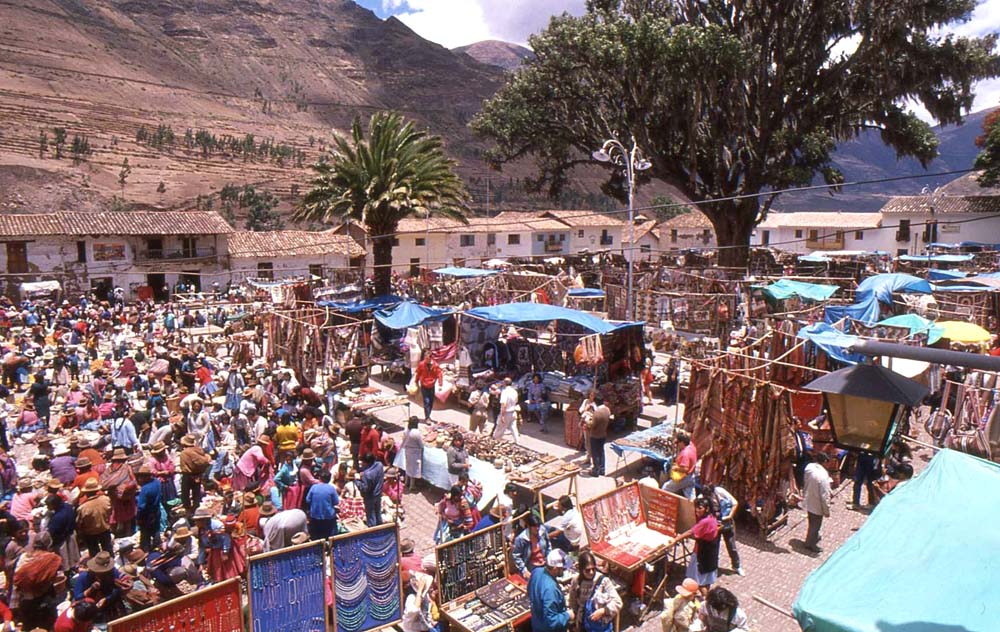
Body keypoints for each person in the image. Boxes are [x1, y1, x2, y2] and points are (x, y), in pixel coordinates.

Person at [668, 498, 720, 597]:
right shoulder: (712, 518)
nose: (697, 510)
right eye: (696, 508)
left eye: (700, 508)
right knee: (706, 580)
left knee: (698, 582)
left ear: (707, 508)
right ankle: (706, 598)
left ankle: (707, 601)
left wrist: (676, 539)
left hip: (702, 554)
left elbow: (690, 532)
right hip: (711, 554)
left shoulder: (705, 522)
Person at [568, 551, 621, 632]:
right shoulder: (576, 581)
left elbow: (618, 602)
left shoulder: (603, 581)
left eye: (593, 569)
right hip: (584, 625)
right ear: (581, 570)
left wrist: (603, 611)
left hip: (601, 626)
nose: (591, 572)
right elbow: (573, 603)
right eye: (587, 570)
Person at [699, 484, 743, 576]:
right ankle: (713, 568)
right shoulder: (701, 498)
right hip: (715, 525)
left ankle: (736, 566)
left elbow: (735, 503)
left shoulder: (720, 491)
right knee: (714, 548)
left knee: (732, 546)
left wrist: (730, 516)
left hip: (727, 523)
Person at [528, 549, 573, 632]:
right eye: (562, 569)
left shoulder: (536, 572)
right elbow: (551, 621)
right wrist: (568, 615)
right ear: (555, 568)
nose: (564, 570)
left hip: (537, 623)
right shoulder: (550, 590)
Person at [803, 452, 832, 553]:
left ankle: (812, 537)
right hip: (817, 504)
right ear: (824, 462)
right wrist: (826, 510)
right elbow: (825, 496)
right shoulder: (823, 476)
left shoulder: (809, 467)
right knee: (816, 525)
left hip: (808, 499)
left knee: (811, 522)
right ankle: (810, 544)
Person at [75, 478, 113, 556]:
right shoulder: (106, 499)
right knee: (108, 548)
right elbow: (110, 512)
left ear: (85, 492)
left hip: (91, 533)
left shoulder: (83, 508)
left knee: (94, 552)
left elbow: (79, 523)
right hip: (105, 529)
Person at [179, 434, 212, 513]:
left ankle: (188, 510)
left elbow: (183, 466)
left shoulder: (184, 453)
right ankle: (195, 508)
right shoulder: (198, 450)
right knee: (196, 493)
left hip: (188, 475)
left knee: (185, 494)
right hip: (197, 475)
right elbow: (206, 459)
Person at [512, 513, 551, 579]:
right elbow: (516, 556)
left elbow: (548, 545)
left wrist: (549, 559)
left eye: (538, 526)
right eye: (535, 526)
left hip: (545, 563)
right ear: (529, 527)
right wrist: (524, 570)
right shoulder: (521, 539)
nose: (537, 528)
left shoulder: (542, 531)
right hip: (532, 567)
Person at [305, 469, 340, 541]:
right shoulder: (331, 488)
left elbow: (308, 500)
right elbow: (336, 502)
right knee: (330, 537)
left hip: (315, 517)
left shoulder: (313, 487)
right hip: (328, 518)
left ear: (320, 478)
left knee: (316, 538)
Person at [663, 431, 698, 500]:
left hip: (683, 477)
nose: (677, 444)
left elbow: (685, 469)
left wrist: (675, 468)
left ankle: (664, 505)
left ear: (682, 442)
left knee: (665, 488)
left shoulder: (685, 454)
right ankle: (694, 508)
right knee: (691, 498)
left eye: (678, 442)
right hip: (692, 477)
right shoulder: (692, 446)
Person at [135, 465, 162, 552]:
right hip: (156, 511)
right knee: (156, 530)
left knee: (145, 535)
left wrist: (138, 518)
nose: (139, 479)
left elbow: (141, 507)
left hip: (146, 515)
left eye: (141, 476)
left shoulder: (145, 489)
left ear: (146, 476)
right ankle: (158, 546)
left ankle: (145, 552)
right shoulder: (157, 482)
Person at [357, 452, 385, 527]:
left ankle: (374, 532)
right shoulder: (380, 465)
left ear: (367, 462)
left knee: (371, 516)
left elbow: (364, 488)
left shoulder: (367, 474)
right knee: (378, 513)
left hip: (370, 497)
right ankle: (381, 529)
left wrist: (357, 481)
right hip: (378, 494)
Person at [586, 397, 611, 477]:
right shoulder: (607, 410)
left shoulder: (597, 413)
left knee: (595, 453)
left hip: (595, 435)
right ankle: (602, 469)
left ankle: (596, 470)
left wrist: (587, 423)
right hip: (603, 434)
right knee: (601, 452)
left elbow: (592, 425)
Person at [414, 349, 443, 421]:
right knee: (426, 401)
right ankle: (427, 418)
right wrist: (416, 382)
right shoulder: (421, 364)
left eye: (427, 358)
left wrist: (440, 384)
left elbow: (439, 374)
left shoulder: (435, 365)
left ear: (431, 358)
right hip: (424, 385)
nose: (426, 360)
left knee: (431, 401)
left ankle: (428, 415)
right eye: (425, 358)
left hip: (431, 386)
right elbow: (418, 374)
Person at [399, 417, 424, 492]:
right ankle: (412, 486)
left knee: (408, 467)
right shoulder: (416, 432)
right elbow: (421, 444)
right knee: (413, 469)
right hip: (415, 452)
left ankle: (406, 482)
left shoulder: (406, 431)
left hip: (407, 450)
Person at [494, 377, 521, 443]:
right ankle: (517, 441)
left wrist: (502, 415)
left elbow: (504, 404)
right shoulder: (514, 391)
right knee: (513, 427)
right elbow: (516, 401)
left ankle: (495, 441)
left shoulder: (505, 392)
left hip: (506, 412)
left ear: (504, 383)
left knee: (500, 428)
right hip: (513, 411)